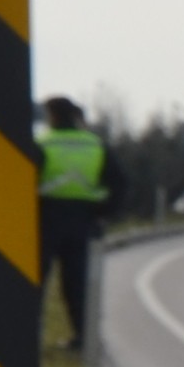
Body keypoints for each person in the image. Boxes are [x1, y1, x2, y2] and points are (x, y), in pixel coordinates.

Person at [33, 97, 109, 353]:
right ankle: (83, 340)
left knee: (35, 282)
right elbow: (120, 182)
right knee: (76, 285)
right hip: (82, 220)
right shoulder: (95, 145)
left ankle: (30, 337)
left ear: (52, 116)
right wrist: (102, 213)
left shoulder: (43, 143)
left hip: (46, 217)